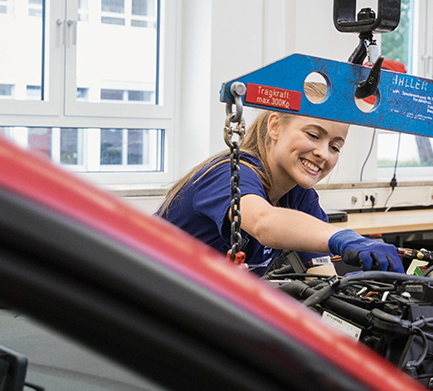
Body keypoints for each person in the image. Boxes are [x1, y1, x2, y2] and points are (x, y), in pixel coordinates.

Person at [158, 111, 403, 276]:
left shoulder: (299, 196)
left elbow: (321, 273)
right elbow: (263, 222)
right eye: (313, 135)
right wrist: (345, 237)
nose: (323, 153)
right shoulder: (229, 174)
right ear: (274, 126)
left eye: (335, 147)